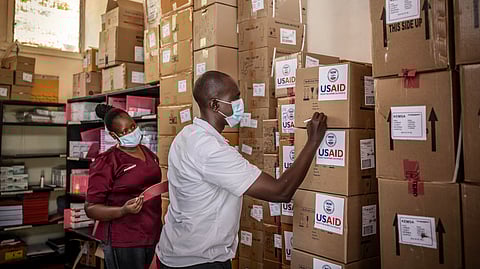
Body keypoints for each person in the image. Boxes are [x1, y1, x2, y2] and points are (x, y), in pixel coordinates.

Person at [155, 71, 327, 268]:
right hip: (198, 261)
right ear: (214, 105)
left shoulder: (188, 135)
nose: (240, 102)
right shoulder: (210, 149)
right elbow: (281, 191)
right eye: (235, 97)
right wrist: (313, 141)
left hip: (175, 251)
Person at [85, 104, 162, 269]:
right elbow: (91, 208)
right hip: (125, 239)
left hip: (153, 233)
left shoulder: (149, 153)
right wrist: (122, 210)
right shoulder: (107, 162)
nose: (131, 133)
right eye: (124, 131)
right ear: (113, 135)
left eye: (132, 127)